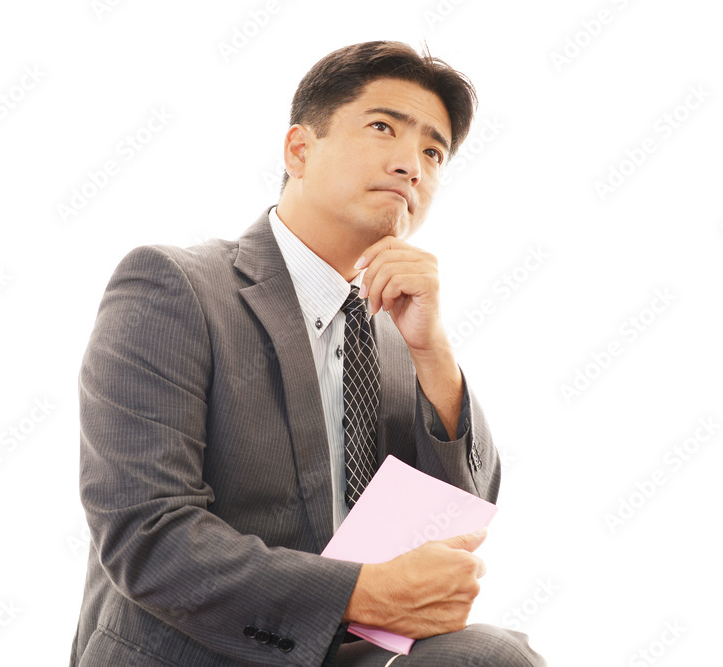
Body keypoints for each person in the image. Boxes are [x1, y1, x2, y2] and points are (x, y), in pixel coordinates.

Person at [68, 40, 546, 666]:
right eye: (384, 127)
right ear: (299, 150)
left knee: (492, 656)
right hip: (196, 651)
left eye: (434, 151)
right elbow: (146, 535)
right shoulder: (175, 288)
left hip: (345, 653)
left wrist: (433, 353)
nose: (412, 165)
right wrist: (362, 593)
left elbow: (456, 518)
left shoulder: (399, 331)